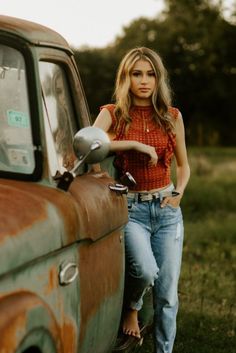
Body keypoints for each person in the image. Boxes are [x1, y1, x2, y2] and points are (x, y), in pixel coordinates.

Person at [93, 47, 190, 353]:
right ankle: (131, 309)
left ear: (158, 78)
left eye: (150, 74)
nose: (144, 81)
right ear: (126, 77)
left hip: (166, 211)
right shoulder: (112, 113)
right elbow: (88, 142)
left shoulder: (171, 116)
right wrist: (133, 143)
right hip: (132, 209)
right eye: (137, 74)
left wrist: (179, 193)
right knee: (146, 270)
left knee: (167, 296)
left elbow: (184, 166)